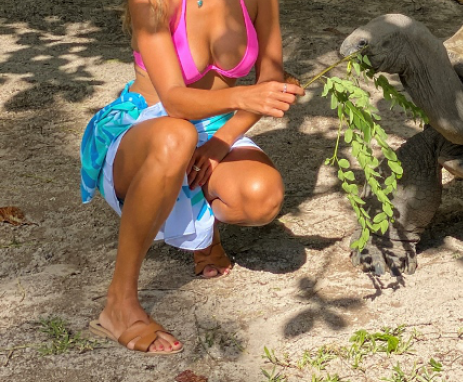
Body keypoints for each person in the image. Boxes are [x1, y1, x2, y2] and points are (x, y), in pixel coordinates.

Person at [80, 0, 303, 354]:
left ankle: (205, 235)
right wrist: (247, 95)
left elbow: (272, 79)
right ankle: (118, 305)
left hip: (214, 128)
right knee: (177, 137)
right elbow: (175, 102)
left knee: (261, 196)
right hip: (145, 128)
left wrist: (222, 141)